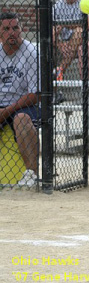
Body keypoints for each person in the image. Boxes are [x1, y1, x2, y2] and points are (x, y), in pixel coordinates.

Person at [0, 12, 40, 187]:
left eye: (15, 28)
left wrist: (6, 111)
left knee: (21, 119)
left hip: (24, 105)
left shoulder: (31, 52)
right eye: (6, 29)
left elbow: (34, 95)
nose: (12, 32)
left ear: (21, 30)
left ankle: (31, 175)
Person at [53, 0, 83, 82]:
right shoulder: (58, 6)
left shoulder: (85, 0)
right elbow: (52, 30)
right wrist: (59, 44)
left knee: (80, 31)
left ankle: (60, 70)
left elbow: (88, 25)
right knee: (52, 34)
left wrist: (64, 24)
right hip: (65, 41)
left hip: (83, 39)